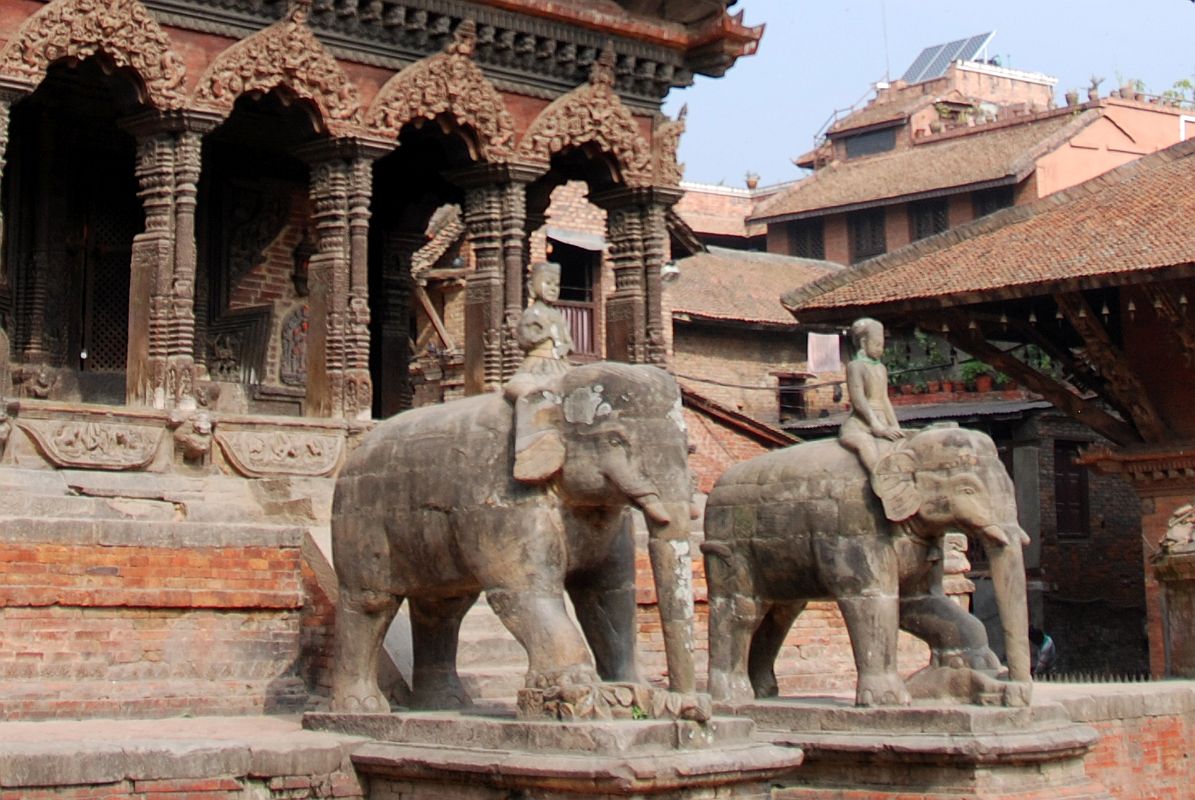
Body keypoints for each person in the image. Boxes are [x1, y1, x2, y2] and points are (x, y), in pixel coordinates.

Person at [505, 262, 573, 482]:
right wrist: (544, 334)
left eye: (557, 284)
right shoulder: (531, 313)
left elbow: (567, 342)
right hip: (536, 364)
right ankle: (532, 451)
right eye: (547, 283)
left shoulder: (559, 315)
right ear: (532, 286)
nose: (553, 288)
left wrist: (562, 344)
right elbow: (525, 339)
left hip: (560, 364)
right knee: (534, 395)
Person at [839, 317, 904, 473]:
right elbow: (858, 400)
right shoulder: (855, 366)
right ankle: (880, 480)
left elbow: (884, 399)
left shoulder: (881, 368)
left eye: (882, 345)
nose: (880, 349)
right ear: (863, 343)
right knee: (865, 444)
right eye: (877, 344)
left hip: (882, 420)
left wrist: (895, 425)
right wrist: (875, 424)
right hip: (861, 424)